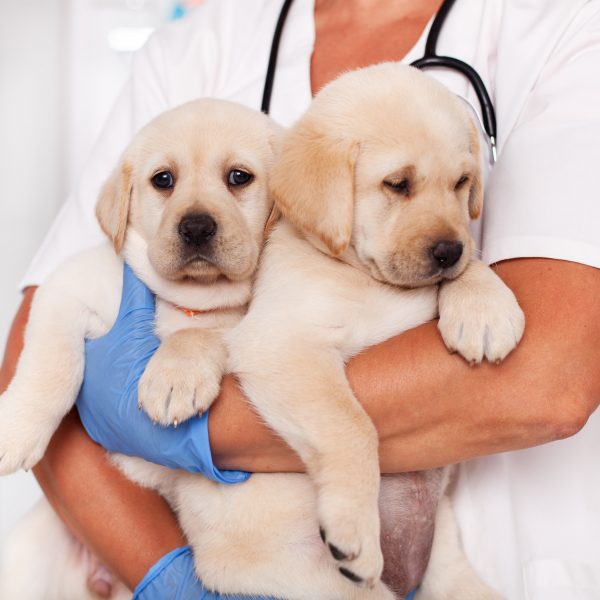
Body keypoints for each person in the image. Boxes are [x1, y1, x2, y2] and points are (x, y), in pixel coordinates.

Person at [1, 0, 599, 598]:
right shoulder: (196, 47)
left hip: (497, 554)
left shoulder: (564, 24)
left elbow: (551, 375)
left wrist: (209, 430)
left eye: (240, 179)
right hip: (248, 551)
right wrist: (167, 575)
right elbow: (34, 369)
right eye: (397, 185)